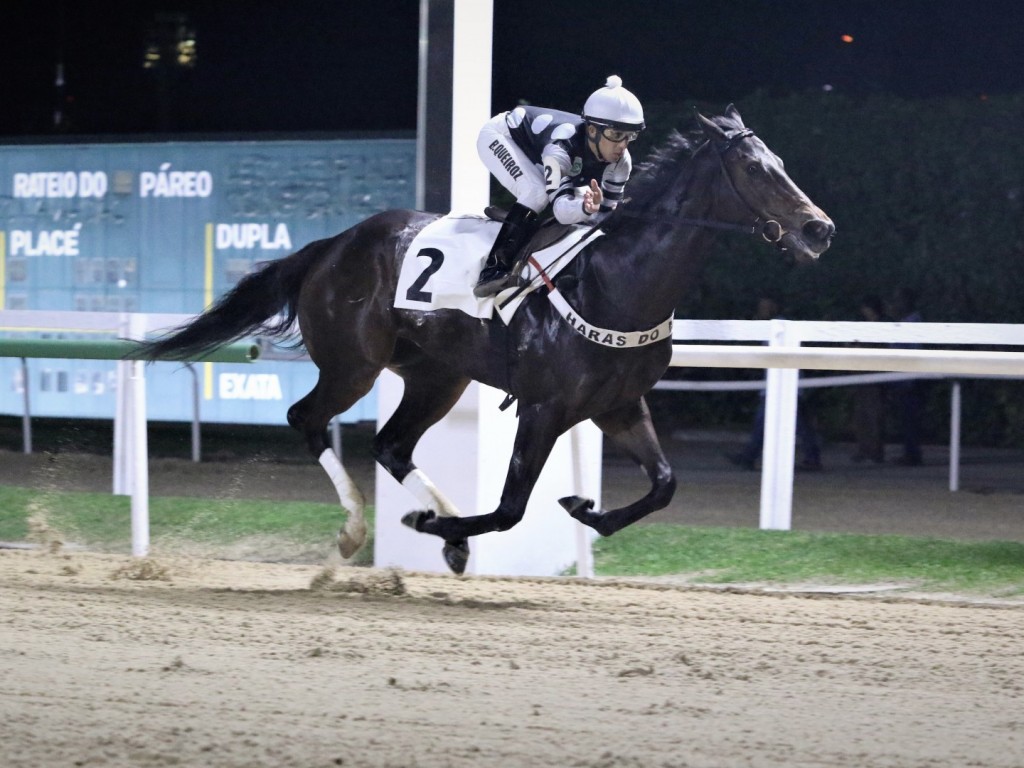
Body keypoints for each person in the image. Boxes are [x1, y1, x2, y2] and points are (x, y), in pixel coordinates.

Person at [472, 75, 645, 297]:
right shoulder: (561, 148)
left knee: (579, 199)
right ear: (592, 131)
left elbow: (606, 218)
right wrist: (585, 208)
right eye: (615, 134)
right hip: (501, 136)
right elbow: (562, 212)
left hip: (538, 148)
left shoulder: (622, 163)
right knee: (536, 192)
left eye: (630, 136)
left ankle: (523, 226)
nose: (622, 145)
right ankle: (493, 270)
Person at [725, 297, 823, 472]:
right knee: (780, 424)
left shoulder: (780, 325)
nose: (761, 310)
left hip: (784, 383)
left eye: (764, 307)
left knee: (792, 424)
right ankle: (750, 456)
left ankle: (750, 457)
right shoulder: (771, 326)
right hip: (777, 383)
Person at [886, 286, 925, 466]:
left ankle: (912, 455)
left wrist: (909, 379)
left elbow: (915, 351)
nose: (895, 303)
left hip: (910, 380)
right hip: (901, 378)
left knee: (910, 419)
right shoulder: (903, 321)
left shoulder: (913, 322)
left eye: (898, 299)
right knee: (906, 419)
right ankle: (910, 452)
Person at [850, 294, 888, 463]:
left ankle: (875, 452)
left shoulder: (882, 326)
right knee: (861, 416)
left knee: (874, 416)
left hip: (874, 378)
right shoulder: (863, 326)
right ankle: (863, 449)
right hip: (860, 376)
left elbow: (879, 348)